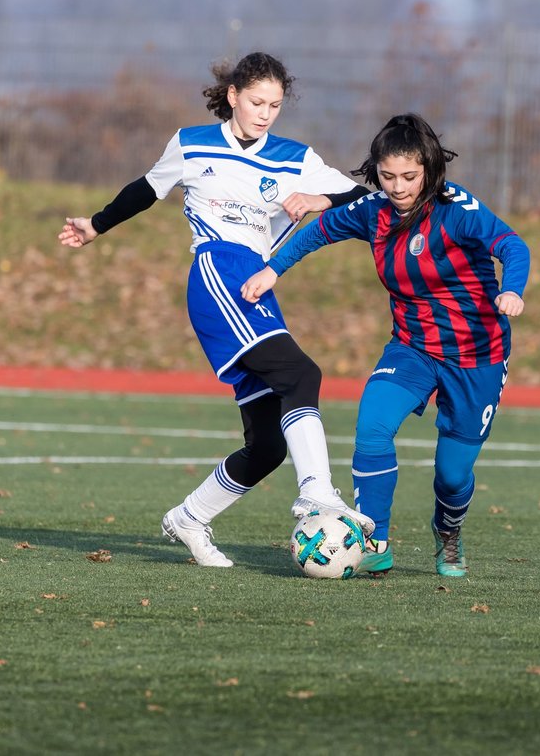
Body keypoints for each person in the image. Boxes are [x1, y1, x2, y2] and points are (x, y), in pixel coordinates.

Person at [57, 51, 373, 568]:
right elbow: (144, 190)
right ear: (232, 96)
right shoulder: (191, 143)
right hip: (216, 273)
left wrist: (320, 200)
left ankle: (189, 517)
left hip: (256, 287)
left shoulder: (297, 158)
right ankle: (317, 493)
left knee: (268, 445)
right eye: (256, 101)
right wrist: (95, 224)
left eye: (274, 104)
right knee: (302, 373)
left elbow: (361, 198)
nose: (265, 112)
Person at [240, 113, 530, 577]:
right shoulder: (374, 211)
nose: (397, 187)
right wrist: (273, 269)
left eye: (409, 177)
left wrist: (512, 288)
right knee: (372, 426)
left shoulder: (458, 209)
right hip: (412, 348)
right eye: (388, 175)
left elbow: (513, 246)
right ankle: (374, 538)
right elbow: (319, 230)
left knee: (453, 476)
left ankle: (449, 530)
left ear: (430, 170)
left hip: (477, 355)